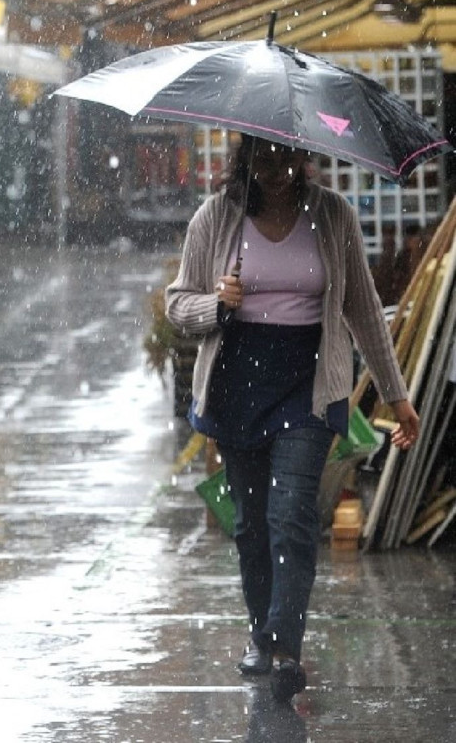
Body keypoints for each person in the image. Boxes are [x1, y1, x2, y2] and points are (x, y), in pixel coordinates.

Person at [165, 134, 419, 703]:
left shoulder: (332, 216)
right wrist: (217, 303)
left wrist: (396, 393)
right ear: (245, 159)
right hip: (236, 385)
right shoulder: (216, 217)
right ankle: (262, 633)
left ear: (305, 157)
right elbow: (178, 303)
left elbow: (363, 312)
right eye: (264, 157)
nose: (277, 170)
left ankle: (285, 648)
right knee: (251, 522)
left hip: (308, 385)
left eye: (287, 157)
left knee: (292, 514)